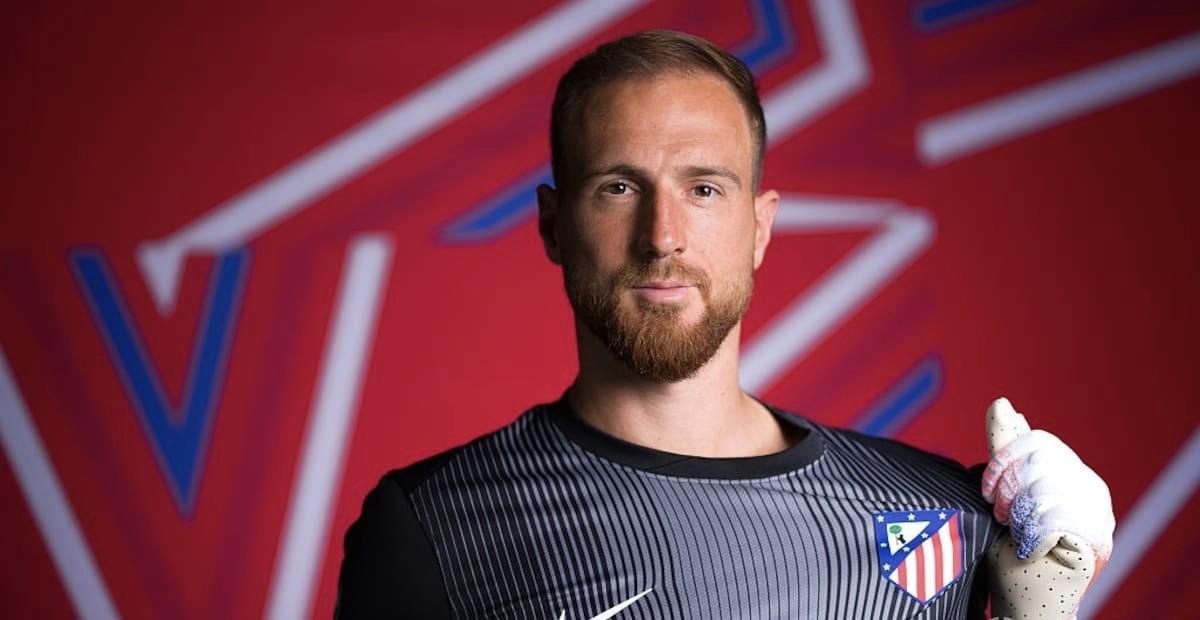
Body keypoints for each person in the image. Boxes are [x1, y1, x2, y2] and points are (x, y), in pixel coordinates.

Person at [335, 30, 1113, 619]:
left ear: (760, 228)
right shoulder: (435, 525)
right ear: (552, 224)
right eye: (617, 188)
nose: (663, 236)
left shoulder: (945, 513)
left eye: (703, 189)